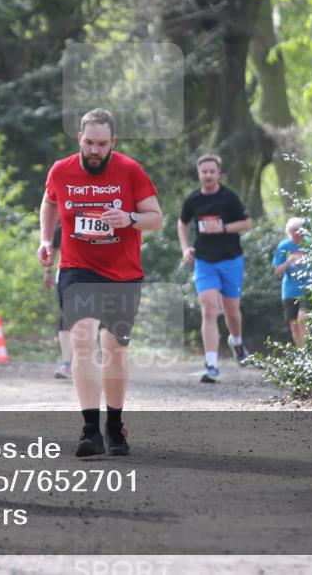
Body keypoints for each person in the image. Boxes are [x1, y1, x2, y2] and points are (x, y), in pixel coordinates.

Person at [37, 108, 162, 457]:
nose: (95, 150)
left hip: (123, 273)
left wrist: (129, 217)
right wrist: (46, 240)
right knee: (81, 338)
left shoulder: (129, 170)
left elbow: (156, 219)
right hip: (78, 269)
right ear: (79, 139)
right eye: (89, 142)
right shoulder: (61, 171)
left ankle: (114, 425)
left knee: (115, 351)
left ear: (113, 143)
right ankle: (90, 429)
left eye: (102, 144)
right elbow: (48, 203)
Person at [178, 154, 252, 383]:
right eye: (204, 171)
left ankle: (236, 343)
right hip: (205, 261)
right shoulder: (193, 200)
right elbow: (182, 222)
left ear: (219, 174)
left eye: (212, 171)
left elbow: (246, 223)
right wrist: (185, 248)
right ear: (199, 174)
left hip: (231, 260)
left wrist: (222, 227)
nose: (208, 175)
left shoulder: (229, 197)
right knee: (209, 309)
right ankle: (211, 364)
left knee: (232, 312)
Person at [273, 217, 312, 347]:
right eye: (292, 231)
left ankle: (309, 352)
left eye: (298, 230)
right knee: (294, 325)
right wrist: (289, 262)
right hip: (290, 291)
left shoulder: (311, 244)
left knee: (303, 318)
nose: (296, 234)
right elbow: (277, 271)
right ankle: (302, 353)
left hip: (308, 288)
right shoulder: (284, 247)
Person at [43, 222, 73, 380]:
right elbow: (52, 250)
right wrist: (48, 271)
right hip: (66, 276)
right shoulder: (63, 227)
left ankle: (87, 362)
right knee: (65, 319)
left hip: (96, 277)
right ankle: (67, 364)